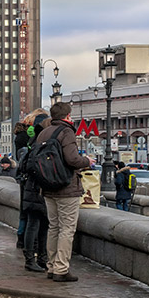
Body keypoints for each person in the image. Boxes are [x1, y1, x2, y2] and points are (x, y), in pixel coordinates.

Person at [34, 101, 94, 283]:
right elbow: (72, 159)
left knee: (53, 227)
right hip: (66, 187)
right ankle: (61, 268)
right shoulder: (66, 132)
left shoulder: (44, 132)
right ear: (68, 116)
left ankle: (51, 267)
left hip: (47, 186)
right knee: (67, 229)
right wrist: (87, 161)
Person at [16, 108, 50, 273]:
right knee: (35, 223)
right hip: (37, 189)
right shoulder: (39, 145)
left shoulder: (32, 143)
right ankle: (32, 259)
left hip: (33, 189)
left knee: (41, 224)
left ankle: (41, 258)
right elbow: (31, 166)